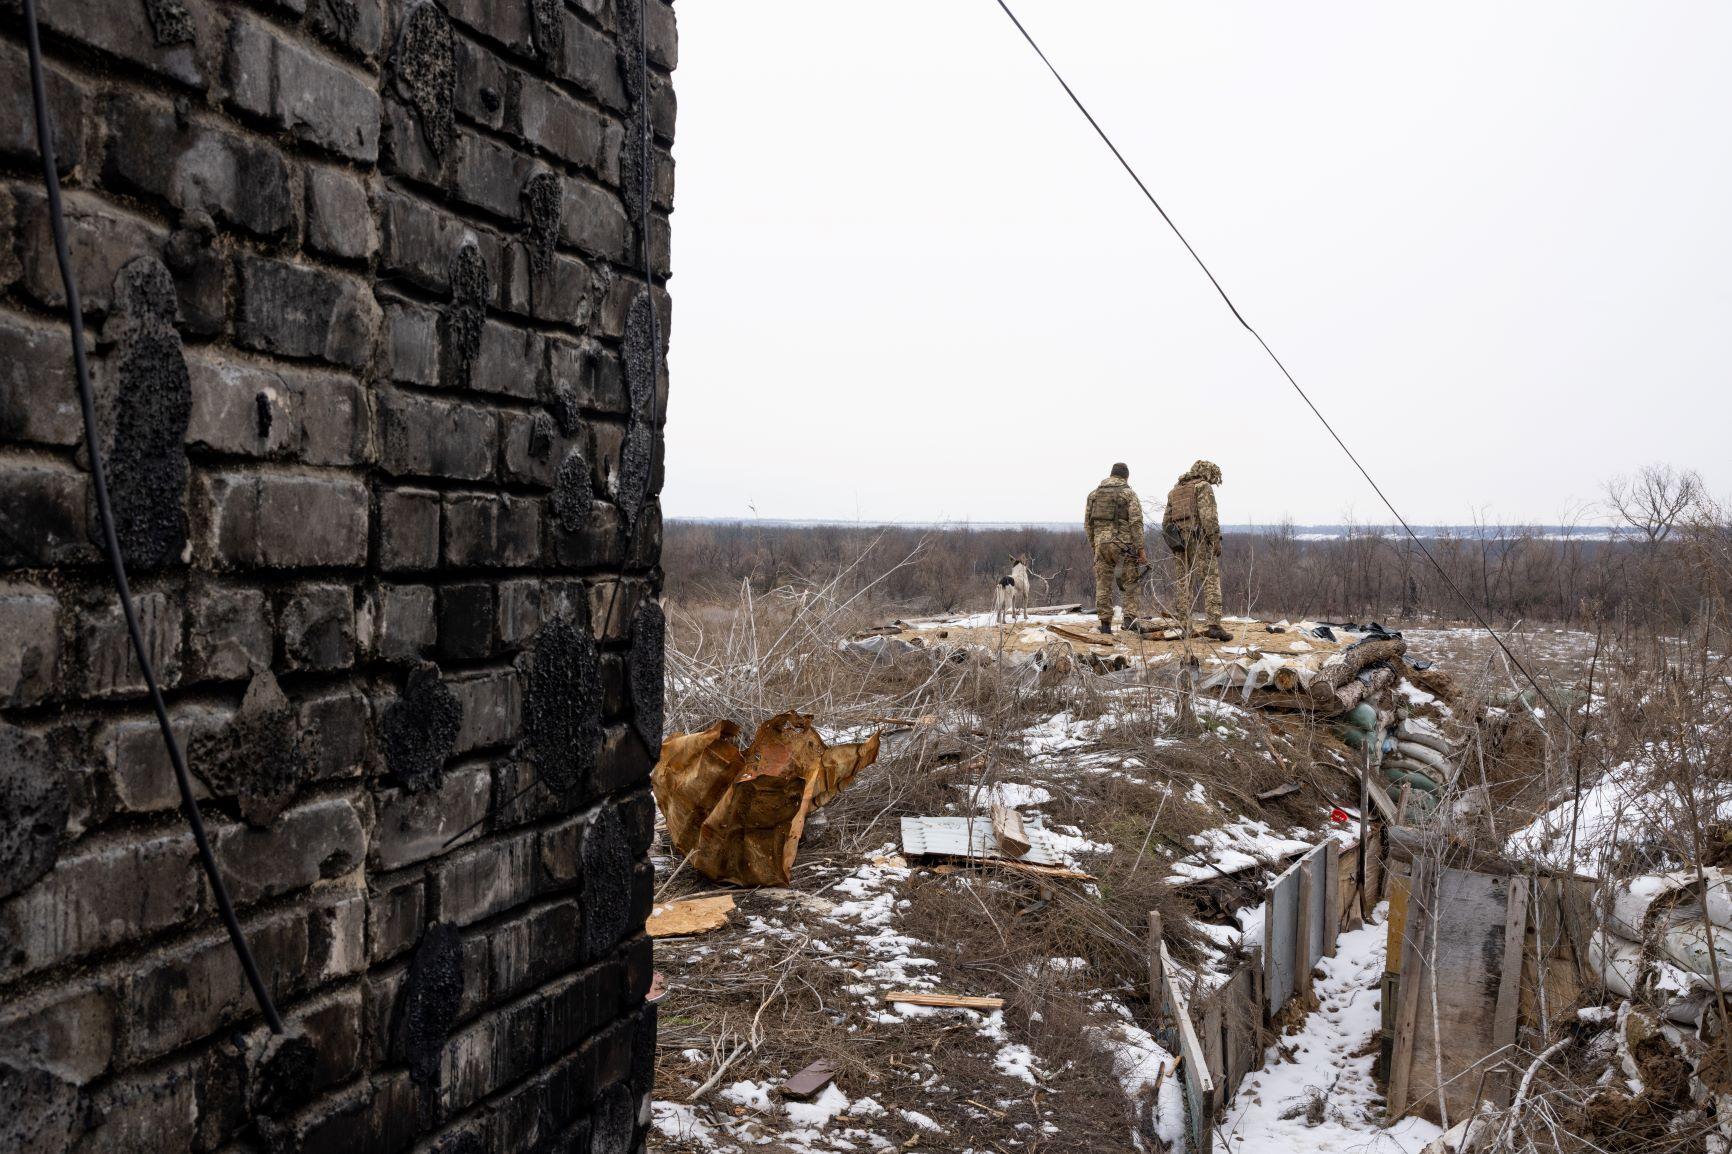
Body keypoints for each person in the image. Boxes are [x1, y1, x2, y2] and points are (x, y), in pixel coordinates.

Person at [1162, 459, 1232, 642]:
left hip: (1179, 542)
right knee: (1210, 579)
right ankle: (1214, 625)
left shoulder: (1175, 491)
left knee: (1183, 583)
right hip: (1199, 539)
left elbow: (1166, 523)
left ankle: (1185, 625)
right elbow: (1208, 517)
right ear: (1208, 473)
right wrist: (1215, 540)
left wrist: (1175, 542)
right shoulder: (1203, 487)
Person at [1084, 463, 1145, 634]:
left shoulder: (1094, 494)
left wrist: (1095, 545)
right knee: (1130, 582)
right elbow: (1136, 522)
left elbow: (1088, 524)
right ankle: (1130, 620)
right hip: (1123, 545)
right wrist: (1140, 549)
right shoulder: (1129, 494)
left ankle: (1105, 625)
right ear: (1126, 477)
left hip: (1101, 545)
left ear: (1111, 474)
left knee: (1103, 584)